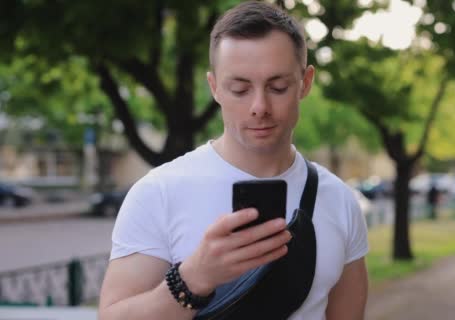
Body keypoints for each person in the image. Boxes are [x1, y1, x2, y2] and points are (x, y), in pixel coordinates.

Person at [98, 2, 369, 320]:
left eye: (277, 87)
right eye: (240, 89)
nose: (259, 106)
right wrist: (193, 279)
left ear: (305, 83)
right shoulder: (158, 192)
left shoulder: (338, 199)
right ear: (214, 88)